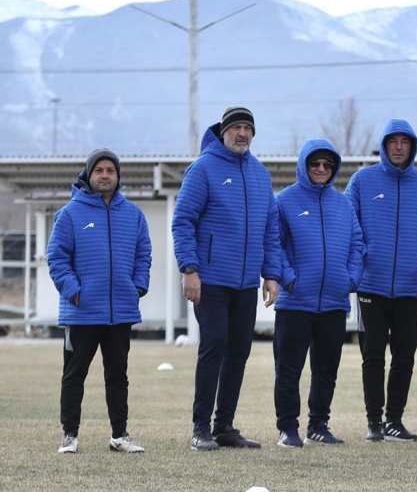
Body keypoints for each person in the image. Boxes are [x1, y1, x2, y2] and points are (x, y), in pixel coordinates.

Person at [172, 106, 281, 451]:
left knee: (239, 352)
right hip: (211, 280)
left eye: (248, 128)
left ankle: (224, 427)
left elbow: (270, 230)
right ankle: (200, 428)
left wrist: (271, 275)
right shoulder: (203, 169)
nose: (243, 133)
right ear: (224, 132)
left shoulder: (261, 174)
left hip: (246, 283)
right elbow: (183, 220)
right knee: (214, 345)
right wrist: (190, 269)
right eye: (236, 127)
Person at [47, 149, 152, 454]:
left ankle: (120, 435)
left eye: (110, 170)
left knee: (118, 375)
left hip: (121, 312)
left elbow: (143, 255)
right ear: (89, 175)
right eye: (99, 171)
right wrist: (75, 292)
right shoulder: (69, 214)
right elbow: (57, 259)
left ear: (117, 176)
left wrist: (137, 288)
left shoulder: (133, 215)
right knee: (74, 375)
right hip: (81, 312)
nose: (105, 175)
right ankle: (70, 435)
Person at [345, 119, 417, 442]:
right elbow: (348, 223)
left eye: (405, 142)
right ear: (384, 145)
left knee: (404, 357)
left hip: (410, 286)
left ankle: (394, 421)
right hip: (371, 284)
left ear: (412, 147)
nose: (399, 147)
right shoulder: (362, 181)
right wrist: (364, 255)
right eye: (393, 141)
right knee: (372, 356)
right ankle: (374, 422)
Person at [272, 139, 364, 448]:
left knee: (326, 369)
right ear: (304, 166)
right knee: (288, 370)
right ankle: (287, 428)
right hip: (295, 301)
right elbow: (274, 243)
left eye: (327, 165)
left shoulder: (344, 204)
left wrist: (350, 279)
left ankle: (318, 424)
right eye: (315, 164)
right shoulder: (284, 201)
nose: (322, 169)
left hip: (335, 302)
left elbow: (357, 245)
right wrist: (289, 279)